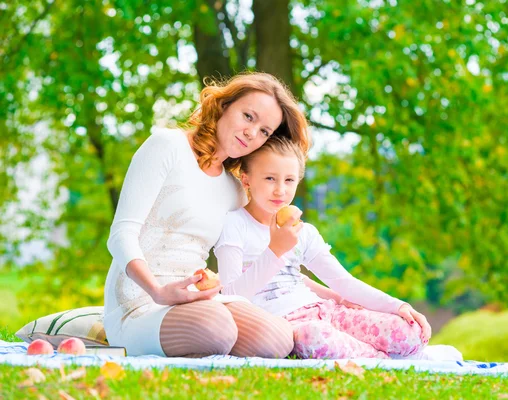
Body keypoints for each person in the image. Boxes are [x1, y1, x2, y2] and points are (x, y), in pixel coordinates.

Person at [103, 72, 311, 358]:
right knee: (217, 328)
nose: (252, 133)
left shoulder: (234, 190)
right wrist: (158, 291)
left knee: (277, 339)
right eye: (248, 116)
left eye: (264, 131)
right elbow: (120, 235)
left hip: (197, 298)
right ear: (224, 106)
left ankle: (202, 344)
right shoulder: (167, 146)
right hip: (140, 301)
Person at [214, 136, 434, 359]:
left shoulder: (303, 231)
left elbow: (343, 282)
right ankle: (382, 360)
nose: (280, 190)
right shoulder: (234, 224)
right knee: (315, 337)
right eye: (270, 178)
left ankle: (382, 354)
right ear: (246, 180)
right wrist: (275, 250)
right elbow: (231, 296)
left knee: (408, 332)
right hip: (288, 325)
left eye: (289, 180)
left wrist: (398, 306)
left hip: (322, 309)